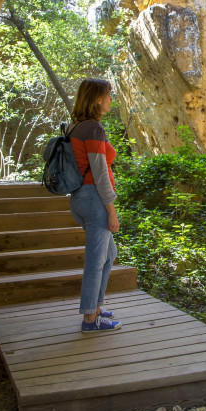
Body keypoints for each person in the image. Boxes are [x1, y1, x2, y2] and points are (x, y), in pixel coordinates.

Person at [68, 78, 122, 332]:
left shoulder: (76, 126)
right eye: (108, 95)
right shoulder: (93, 130)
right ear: (97, 99)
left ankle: (96, 306)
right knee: (95, 261)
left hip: (81, 197)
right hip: (94, 199)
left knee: (109, 255)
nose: (111, 99)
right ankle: (90, 318)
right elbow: (100, 174)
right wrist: (111, 211)